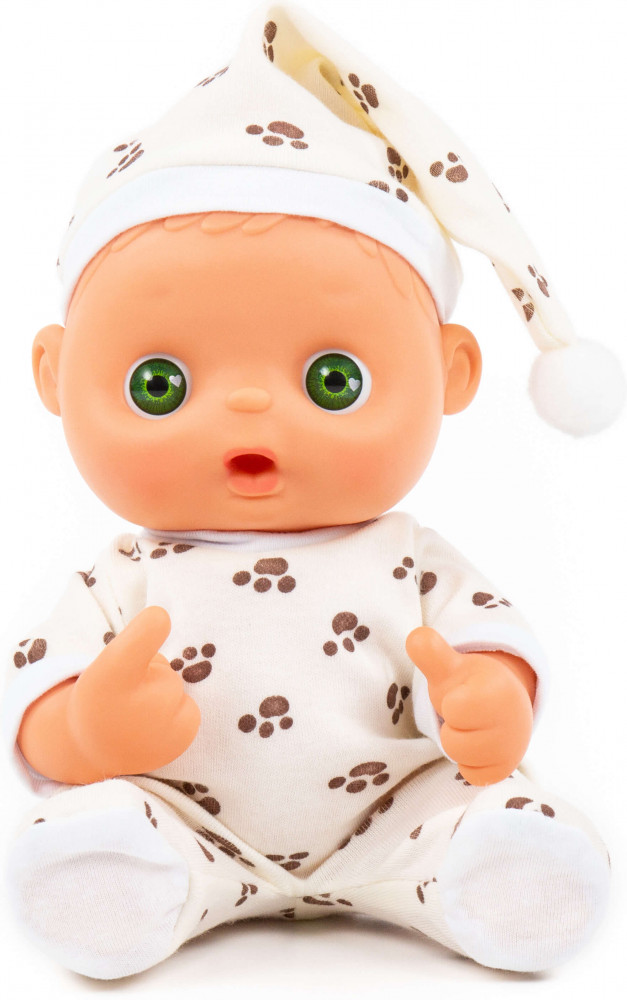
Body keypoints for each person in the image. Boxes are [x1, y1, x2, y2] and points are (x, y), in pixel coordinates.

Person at [3, 2, 622, 981]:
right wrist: (83, 729)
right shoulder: (124, 577)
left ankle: (493, 872)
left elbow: (491, 645)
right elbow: (41, 698)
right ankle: (130, 882)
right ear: (54, 373)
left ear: (451, 372)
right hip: (187, 818)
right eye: (160, 384)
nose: (249, 410)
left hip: (395, 813)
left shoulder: (406, 560)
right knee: (110, 820)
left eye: (333, 380)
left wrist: (487, 699)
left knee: (483, 812)